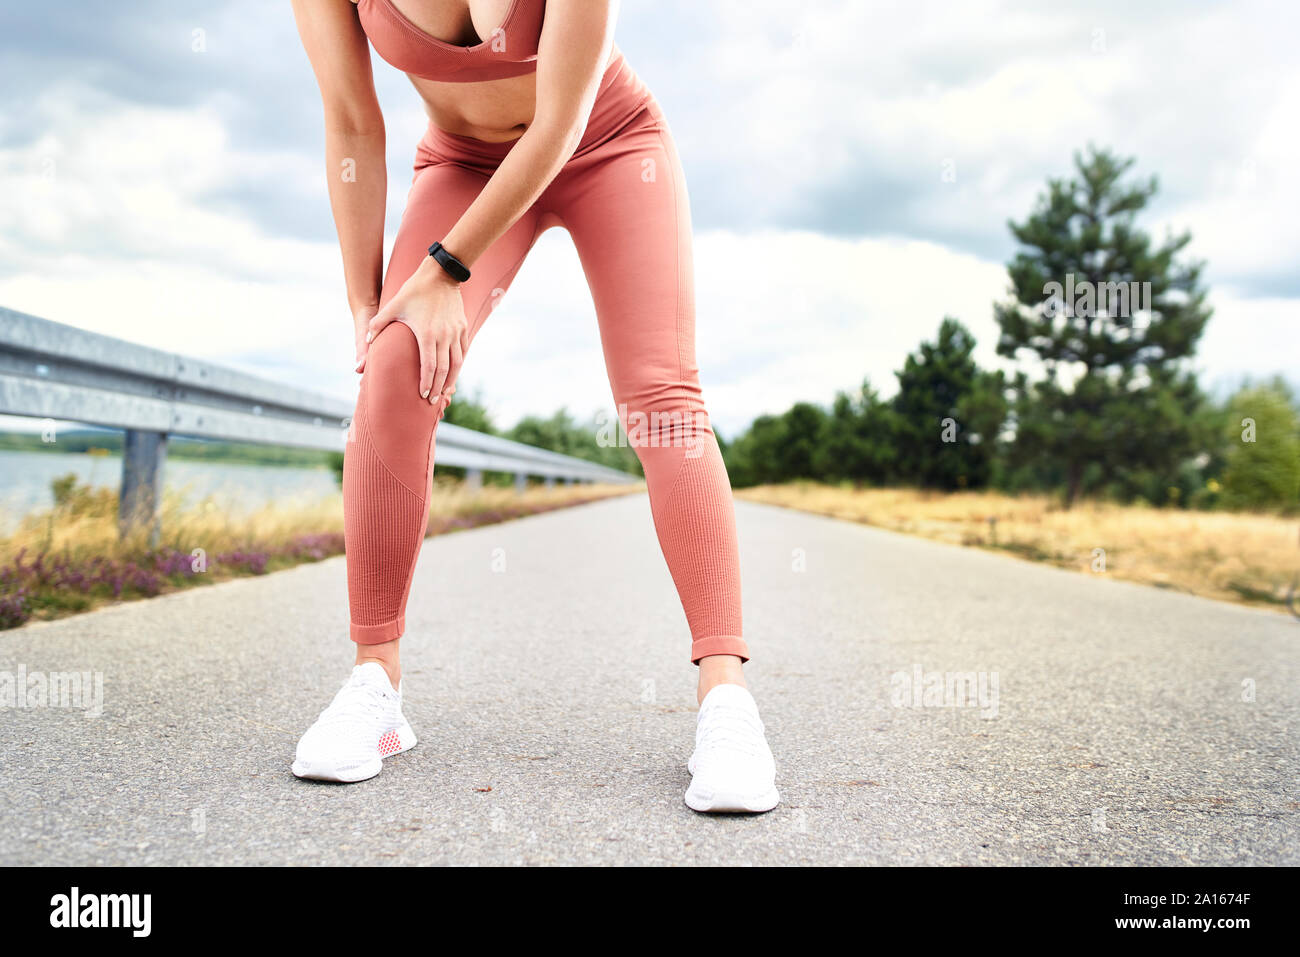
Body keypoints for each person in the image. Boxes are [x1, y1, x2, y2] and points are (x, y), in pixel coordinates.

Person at [289, 0, 778, 813]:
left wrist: (445, 269)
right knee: (394, 367)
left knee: (662, 396)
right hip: (464, 162)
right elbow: (349, 121)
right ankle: (374, 685)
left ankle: (726, 700)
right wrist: (363, 302)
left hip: (606, 142)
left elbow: (558, 123)